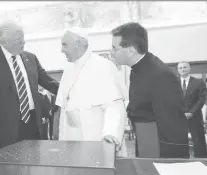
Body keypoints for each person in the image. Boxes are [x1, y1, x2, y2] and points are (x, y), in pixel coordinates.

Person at [0, 20, 59, 153]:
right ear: (4, 41)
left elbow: (48, 82)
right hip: (4, 131)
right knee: (9, 171)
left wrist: (70, 91)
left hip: (33, 126)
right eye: (19, 39)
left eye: (23, 38)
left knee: (34, 168)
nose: (23, 42)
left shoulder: (31, 58)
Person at [111, 22, 189, 158]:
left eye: (114, 48)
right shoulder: (138, 68)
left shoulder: (161, 75)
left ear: (130, 51)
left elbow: (173, 123)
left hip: (160, 146)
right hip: (145, 138)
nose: (111, 53)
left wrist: (173, 162)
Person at [53, 27, 127, 156]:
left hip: (94, 137)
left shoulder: (103, 66)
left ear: (78, 44)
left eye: (65, 45)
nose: (61, 50)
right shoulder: (69, 68)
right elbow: (62, 106)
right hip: (70, 137)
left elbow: (115, 106)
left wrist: (110, 133)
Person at [177, 62, 207, 157]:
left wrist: (191, 112)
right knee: (180, 141)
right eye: (180, 68)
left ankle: (201, 162)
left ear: (190, 68)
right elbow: (171, 100)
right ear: (178, 70)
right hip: (179, 117)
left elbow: (201, 100)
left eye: (185, 67)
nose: (183, 69)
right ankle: (182, 160)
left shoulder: (199, 82)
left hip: (195, 117)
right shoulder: (173, 83)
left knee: (199, 142)